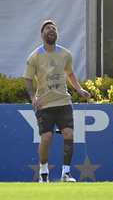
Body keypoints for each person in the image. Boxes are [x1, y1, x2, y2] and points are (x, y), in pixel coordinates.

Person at [24, 20, 91, 183]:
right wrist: (33, 98)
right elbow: (28, 79)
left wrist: (80, 90)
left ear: (57, 34)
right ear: (42, 35)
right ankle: (43, 172)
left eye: (54, 28)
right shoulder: (35, 56)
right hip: (44, 105)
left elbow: (71, 74)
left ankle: (66, 174)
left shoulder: (65, 54)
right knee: (46, 138)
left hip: (63, 103)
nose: (51, 30)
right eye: (48, 28)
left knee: (69, 135)